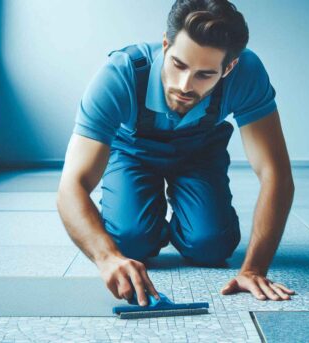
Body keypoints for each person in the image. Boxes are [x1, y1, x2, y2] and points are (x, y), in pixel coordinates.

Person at [57, 0, 295, 307]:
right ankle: (147, 226)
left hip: (200, 153)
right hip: (133, 152)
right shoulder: (119, 74)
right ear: (166, 44)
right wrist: (107, 258)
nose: (184, 85)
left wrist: (254, 269)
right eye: (179, 65)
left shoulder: (247, 72)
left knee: (211, 246)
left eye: (204, 75)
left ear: (229, 68)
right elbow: (70, 186)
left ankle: (188, 225)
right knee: (129, 241)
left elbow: (276, 174)